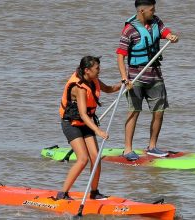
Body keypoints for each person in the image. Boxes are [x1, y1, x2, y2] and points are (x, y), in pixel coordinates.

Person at [116, 0, 179, 161]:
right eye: (152, 9)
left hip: (155, 75)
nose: (154, 11)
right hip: (135, 78)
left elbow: (165, 32)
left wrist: (171, 36)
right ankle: (127, 149)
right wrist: (124, 78)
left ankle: (152, 147)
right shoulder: (129, 30)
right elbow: (120, 56)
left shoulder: (156, 21)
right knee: (134, 112)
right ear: (142, 11)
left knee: (159, 112)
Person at [57, 56, 121, 200]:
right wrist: (98, 131)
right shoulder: (78, 87)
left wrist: (123, 84)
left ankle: (94, 192)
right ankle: (62, 194)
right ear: (87, 70)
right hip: (71, 124)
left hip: (86, 124)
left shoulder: (93, 80)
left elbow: (109, 89)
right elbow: (83, 115)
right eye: (97, 69)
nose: (99, 71)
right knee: (83, 159)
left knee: (96, 157)